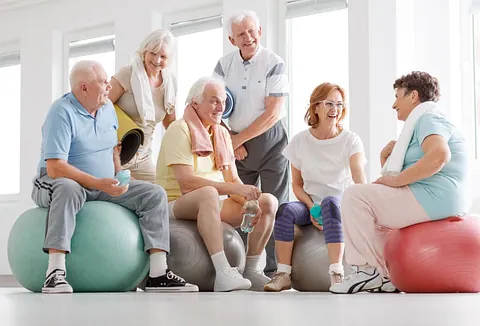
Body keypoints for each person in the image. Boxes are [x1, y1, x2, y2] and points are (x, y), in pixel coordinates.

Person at [32, 60, 197, 294]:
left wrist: (118, 174)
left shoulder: (108, 108)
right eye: (102, 82)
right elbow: (56, 168)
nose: (109, 87)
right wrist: (98, 182)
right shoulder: (61, 112)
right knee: (67, 188)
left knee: (154, 193)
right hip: (57, 182)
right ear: (83, 88)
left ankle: (158, 274)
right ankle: (55, 273)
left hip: (101, 183)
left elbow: (112, 148)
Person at [330, 71, 471, 294]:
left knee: (354, 195)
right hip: (436, 196)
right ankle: (385, 277)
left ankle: (367, 271)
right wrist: (385, 162)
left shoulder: (428, 118)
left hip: (436, 197)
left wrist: (397, 180)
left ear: (413, 96)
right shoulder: (422, 123)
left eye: (398, 96)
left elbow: (439, 156)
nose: (394, 104)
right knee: (368, 211)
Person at [156, 76, 278, 292]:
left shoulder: (221, 132)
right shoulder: (179, 129)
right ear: (195, 102)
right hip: (176, 203)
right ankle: (223, 271)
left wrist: (249, 199)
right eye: (213, 101)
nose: (221, 107)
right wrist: (235, 190)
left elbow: (232, 179)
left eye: (223, 101)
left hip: (210, 203)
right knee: (208, 193)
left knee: (268, 202)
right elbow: (187, 183)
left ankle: (250, 269)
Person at [263, 83, 367, 292]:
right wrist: (311, 207)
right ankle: (283, 273)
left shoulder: (350, 140)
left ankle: (337, 273)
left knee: (330, 203)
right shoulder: (300, 141)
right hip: (310, 203)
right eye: (329, 103)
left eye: (339, 104)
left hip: (340, 204)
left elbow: (358, 177)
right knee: (285, 211)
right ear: (316, 106)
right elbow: (296, 185)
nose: (335, 109)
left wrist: (363, 204)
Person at [213, 10, 289, 275]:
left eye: (251, 31)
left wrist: (238, 140)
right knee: (244, 207)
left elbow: (274, 112)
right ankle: (245, 267)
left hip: (270, 142)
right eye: (240, 34)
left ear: (260, 31)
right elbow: (214, 106)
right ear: (232, 40)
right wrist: (231, 140)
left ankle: (273, 270)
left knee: (274, 204)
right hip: (237, 144)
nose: (248, 38)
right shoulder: (223, 65)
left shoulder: (273, 62)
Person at [109, 29, 177, 182]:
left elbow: (170, 123)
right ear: (144, 51)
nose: (157, 60)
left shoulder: (170, 83)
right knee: (137, 193)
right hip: (116, 153)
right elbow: (99, 107)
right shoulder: (127, 74)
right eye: (153, 53)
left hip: (143, 156)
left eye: (163, 56)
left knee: (159, 193)